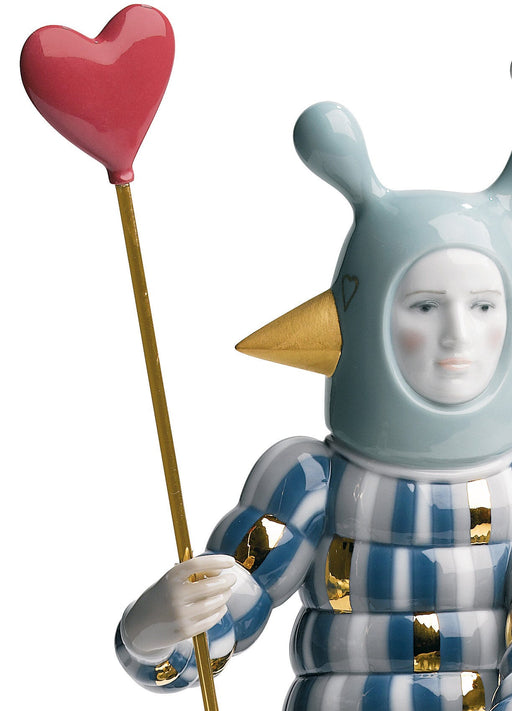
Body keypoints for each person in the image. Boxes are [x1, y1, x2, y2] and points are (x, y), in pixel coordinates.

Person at [116, 101, 512, 710]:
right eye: (426, 306)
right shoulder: (310, 480)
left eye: (483, 306)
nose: (458, 335)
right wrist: (153, 633)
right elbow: (212, 632)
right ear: (365, 317)